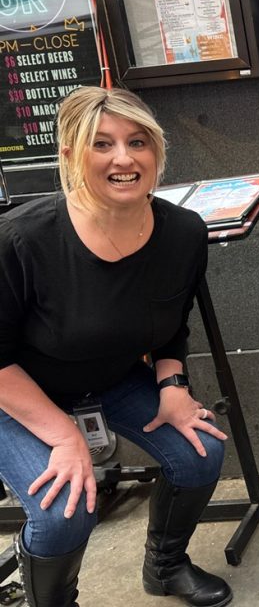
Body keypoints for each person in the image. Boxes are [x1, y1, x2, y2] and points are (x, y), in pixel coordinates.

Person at [0, 87, 231, 607]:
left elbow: (172, 323)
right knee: (63, 509)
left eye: (137, 142)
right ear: (70, 155)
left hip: (107, 378)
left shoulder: (183, 233)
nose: (124, 159)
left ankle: (166, 567)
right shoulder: (20, 240)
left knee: (200, 450)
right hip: (16, 393)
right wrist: (62, 434)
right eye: (101, 144)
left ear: (157, 151)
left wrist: (173, 386)